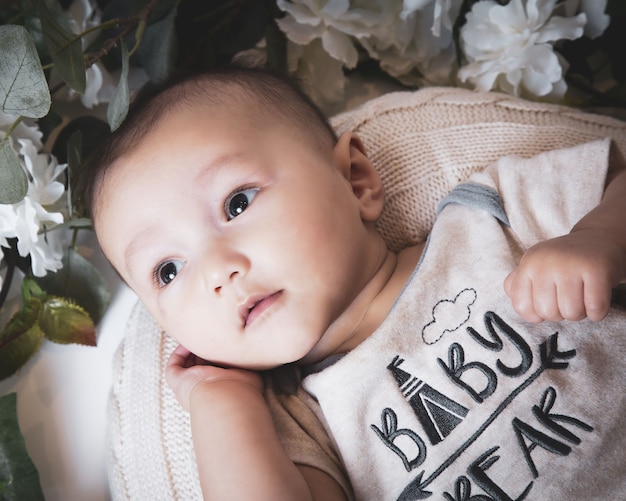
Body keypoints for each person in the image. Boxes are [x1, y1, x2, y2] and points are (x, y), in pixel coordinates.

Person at [83, 66, 626, 500]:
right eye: (168, 271)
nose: (217, 272)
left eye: (237, 203)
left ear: (355, 181)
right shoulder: (300, 422)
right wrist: (220, 404)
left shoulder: (487, 218)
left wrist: (599, 237)